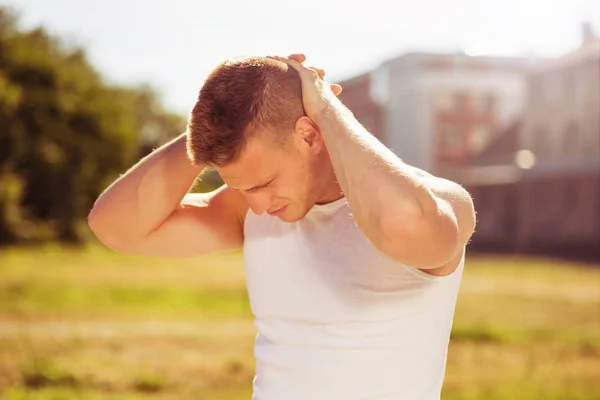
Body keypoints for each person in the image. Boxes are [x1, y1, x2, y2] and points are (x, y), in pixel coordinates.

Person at [88, 53, 476, 400]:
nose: (257, 204)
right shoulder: (251, 209)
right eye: (241, 187)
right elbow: (116, 226)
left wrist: (326, 108)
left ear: (309, 134)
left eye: (263, 183)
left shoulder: (438, 202)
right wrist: (216, 121)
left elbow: (398, 225)